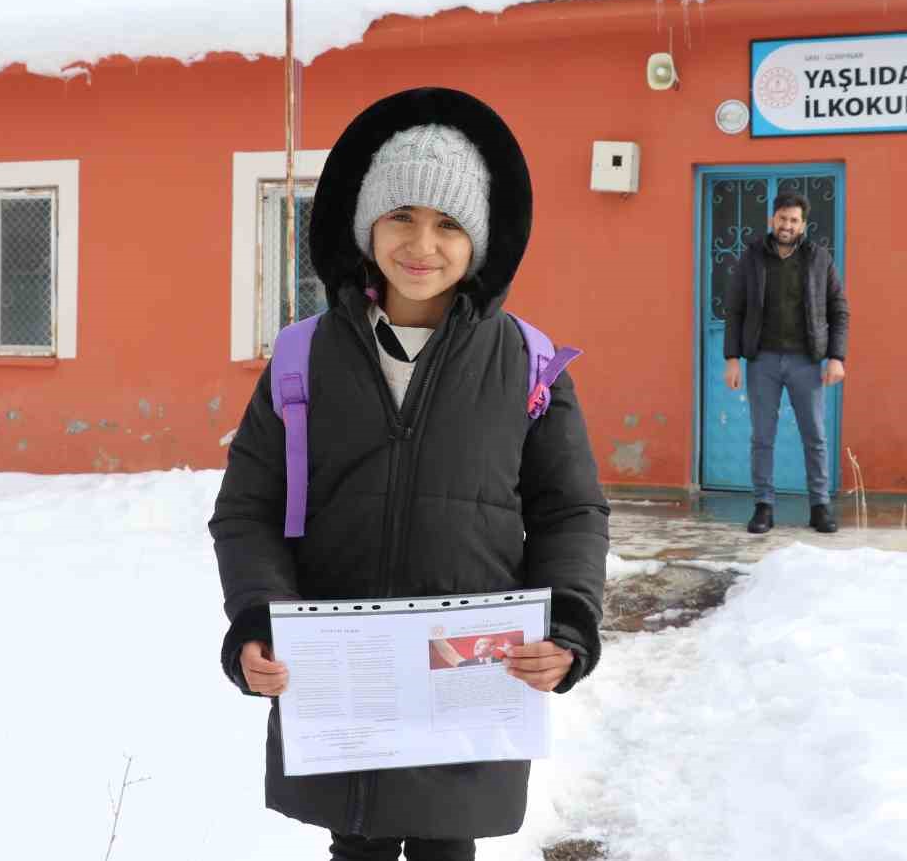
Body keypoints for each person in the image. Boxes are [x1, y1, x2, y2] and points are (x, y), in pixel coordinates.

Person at [210, 87, 610, 861]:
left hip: (467, 686)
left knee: (445, 848)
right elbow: (247, 511)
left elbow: (571, 513)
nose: (421, 244)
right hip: (343, 685)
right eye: (401, 217)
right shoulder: (303, 358)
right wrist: (258, 619)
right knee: (353, 849)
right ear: (367, 225)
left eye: (449, 224)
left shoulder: (527, 365)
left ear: (479, 241)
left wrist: (567, 625)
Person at [722, 190, 850, 535]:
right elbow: (734, 310)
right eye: (782, 219)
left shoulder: (819, 258)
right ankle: (764, 506)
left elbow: (839, 310)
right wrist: (732, 359)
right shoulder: (751, 258)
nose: (787, 225)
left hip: (805, 362)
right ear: (772, 220)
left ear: (803, 224)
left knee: (815, 436)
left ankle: (819, 506)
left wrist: (836, 357)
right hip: (762, 361)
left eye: (794, 220)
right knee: (762, 437)